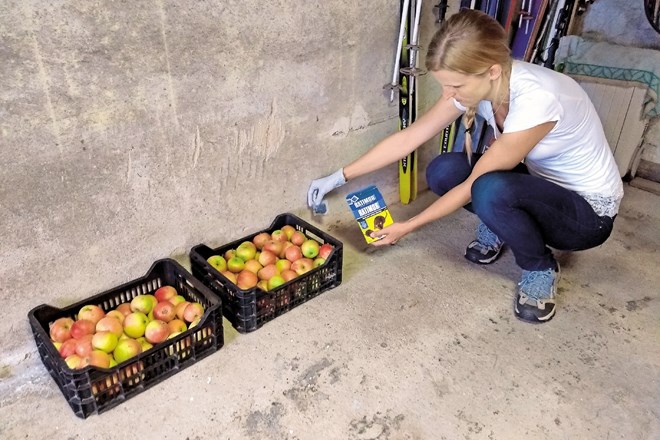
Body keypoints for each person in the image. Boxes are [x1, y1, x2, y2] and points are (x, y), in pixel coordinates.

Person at [306, 10, 623, 324]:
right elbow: (411, 137)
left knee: (487, 189)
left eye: (456, 86)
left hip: (586, 216)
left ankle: (540, 267)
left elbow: (475, 181)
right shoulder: (484, 85)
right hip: (542, 187)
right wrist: (339, 176)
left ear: (492, 71)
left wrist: (407, 226)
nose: (449, 95)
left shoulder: (538, 98)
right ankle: (501, 222)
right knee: (442, 170)